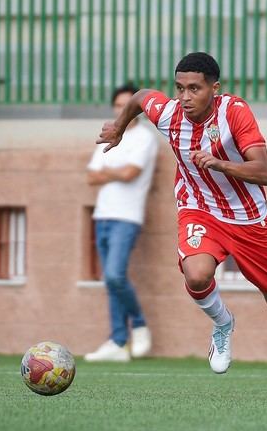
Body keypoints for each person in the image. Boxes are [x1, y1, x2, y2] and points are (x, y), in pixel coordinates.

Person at [96, 52, 267, 400]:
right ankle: (222, 322)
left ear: (214, 89)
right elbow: (141, 97)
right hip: (199, 208)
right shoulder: (170, 114)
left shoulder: (234, 113)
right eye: (179, 88)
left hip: (248, 218)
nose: (185, 97)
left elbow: (265, 172)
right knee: (197, 275)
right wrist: (119, 127)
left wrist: (219, 164)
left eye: (194, 89)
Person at [85, 84, 159, 362]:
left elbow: (130, 173)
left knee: (116, 276)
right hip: (102, 215)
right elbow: (91, 176)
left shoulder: (144, 138)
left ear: (137, 109)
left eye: (126, 106)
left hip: (127, 217)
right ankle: (117, 341)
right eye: (117, 106)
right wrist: (113, 172)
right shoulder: (110, 133)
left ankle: (138, 325)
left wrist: (108, 171)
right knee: (111, 281)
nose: (121, 110)